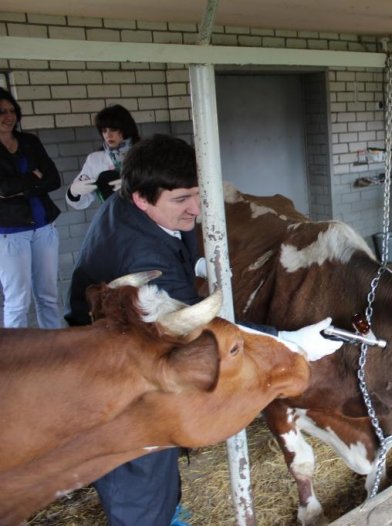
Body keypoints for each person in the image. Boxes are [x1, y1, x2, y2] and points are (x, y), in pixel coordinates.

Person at [65, 133, 342, 526]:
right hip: (112, 369)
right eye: (181, 199)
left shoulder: (128, 205)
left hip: (124, 343)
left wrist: (192, 262)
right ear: (143, 198)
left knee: (157, 451)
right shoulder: (140, 254)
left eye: (197, 193)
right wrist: (288, 341)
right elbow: (197, 327)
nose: (196, 208)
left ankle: (164, 510)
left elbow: (176, 241)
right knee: (139, 461)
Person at [0, 86, 62, 329]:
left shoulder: (29, 141)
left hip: (44, 225)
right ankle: (17, 360)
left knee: (48, 295)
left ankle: (55, 349)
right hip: (9, 233)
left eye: (12, 110)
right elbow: (2, 189)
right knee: (17, 300)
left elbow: (53, 179)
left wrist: (19, 187)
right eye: (1, 112)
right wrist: (34, 178)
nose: (8, 116)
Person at [66, 104, 140, 210]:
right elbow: (83, 201)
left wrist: (135, 185)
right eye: (104, 131)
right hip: (113, 219)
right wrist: (73, 192)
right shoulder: (95, 160)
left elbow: (163, 187)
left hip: (146, 219)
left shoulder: (145, 153)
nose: (108, 135)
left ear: (125, 129)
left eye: (113, 129)